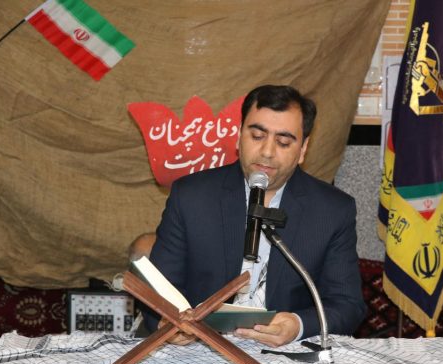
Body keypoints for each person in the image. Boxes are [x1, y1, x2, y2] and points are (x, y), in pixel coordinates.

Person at [145, 85, 366, 347]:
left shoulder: (332, 210)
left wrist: (298, 324)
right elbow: (157, 291)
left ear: (303, 149)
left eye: (283, 142)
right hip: (200, 349)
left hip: (285, 353)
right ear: (239, 136)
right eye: (257, 136)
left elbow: (348, 305)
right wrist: (169, 323)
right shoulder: (192, 197)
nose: (267, 152)